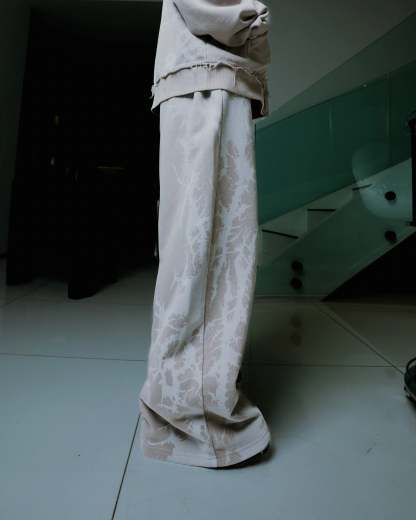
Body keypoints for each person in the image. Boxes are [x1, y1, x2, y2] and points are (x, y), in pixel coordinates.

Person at [138, 0, 272, 468]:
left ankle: (200, 392)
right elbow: (212, 12)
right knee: (206, 251)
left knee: (213, 249)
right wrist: (255, 17)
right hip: (206, 82)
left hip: (209, 80)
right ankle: (192, 415)